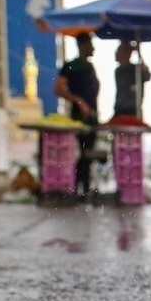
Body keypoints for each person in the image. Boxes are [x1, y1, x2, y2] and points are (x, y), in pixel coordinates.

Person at [53, 32, 100, 197]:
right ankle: (77, 187)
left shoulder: (90, 67)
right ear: (82, 45)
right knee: (81, 153)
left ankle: (86, 187)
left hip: (93, 117)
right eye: (90, 44)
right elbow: (58, 88)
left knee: (89, 153)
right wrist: (78, 101)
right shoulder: (71, 66)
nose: (93, 48)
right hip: (79, 117)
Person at [113, 40, 151, 118]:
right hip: (120, 109)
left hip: (133, 109)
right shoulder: (118, 71)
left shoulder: (136, 69)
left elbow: (147, 76)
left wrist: (138, 53)